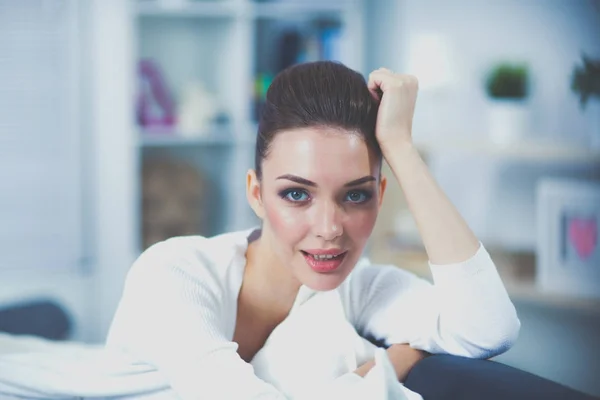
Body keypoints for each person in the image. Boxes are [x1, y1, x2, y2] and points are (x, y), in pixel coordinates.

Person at [106, 61, 521, 399]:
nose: (328, 230)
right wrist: (390, 364)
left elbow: (487, 330)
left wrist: (400, 147)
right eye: (296, 195)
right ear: (256, 193)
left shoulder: (354, 288)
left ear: (380, 194)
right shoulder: (172, 272)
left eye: (355, 196)